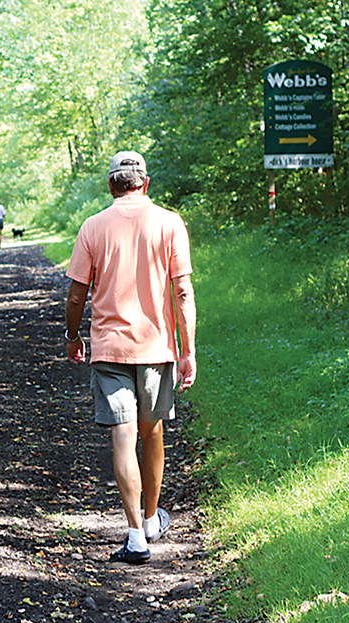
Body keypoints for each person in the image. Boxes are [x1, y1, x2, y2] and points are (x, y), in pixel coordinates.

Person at [64, 151, 197, 565]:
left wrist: (72, 337)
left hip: (110, 349)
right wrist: (188, 350)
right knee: (152, 433)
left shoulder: (93, 226)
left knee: (123, 438)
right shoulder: (170, 223)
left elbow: (74, 294)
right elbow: (184, 292)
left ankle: (136, 534)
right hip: (157, 348)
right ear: (146, 182)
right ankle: (153, 516)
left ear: (111, 185)